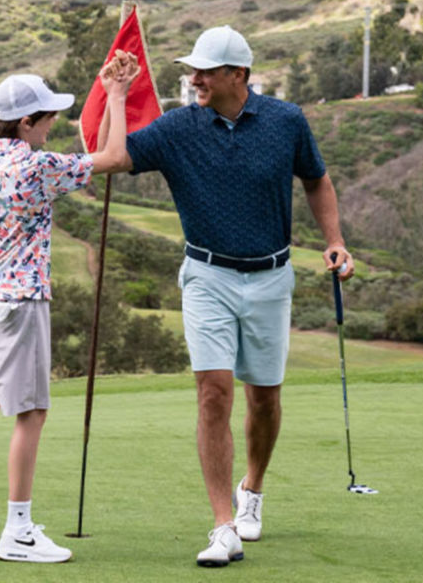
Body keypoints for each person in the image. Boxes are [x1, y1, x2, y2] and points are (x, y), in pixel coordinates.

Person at [102, 27, 354, 566]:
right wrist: (117, 96)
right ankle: (223, 527)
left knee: (263, 398)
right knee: (213, 391)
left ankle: (252, 491)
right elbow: (115, 157)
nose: (194, 79)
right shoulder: (176, 128)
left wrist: (334, 241)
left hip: (271, 277)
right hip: (207, 275)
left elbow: (317, 179)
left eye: (205, 71)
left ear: (237, 75)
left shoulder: (286, 121)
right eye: (192, 70)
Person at [0, 53, 139, 563]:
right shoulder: (37, 165)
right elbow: (116, 158)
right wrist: (119, 97)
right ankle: (17, 530)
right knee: (31, 412)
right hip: (22, 301)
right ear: (27, 122)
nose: (54, 125)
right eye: (49, 118)